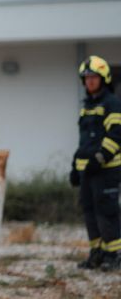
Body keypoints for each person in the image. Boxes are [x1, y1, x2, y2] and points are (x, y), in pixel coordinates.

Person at [70, 55, 121, 271]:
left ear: (103, 79)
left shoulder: (112, 103)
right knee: (90, 212)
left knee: (107, 212)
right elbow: (85, 140)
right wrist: (75, 165)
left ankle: (114, 254)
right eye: (86, 78)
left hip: (106, 170)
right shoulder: (87, 106)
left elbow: (117, 134)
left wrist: (100, 158)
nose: (90, 81)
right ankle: (97, 253)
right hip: (87, 171)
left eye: (94, 77)